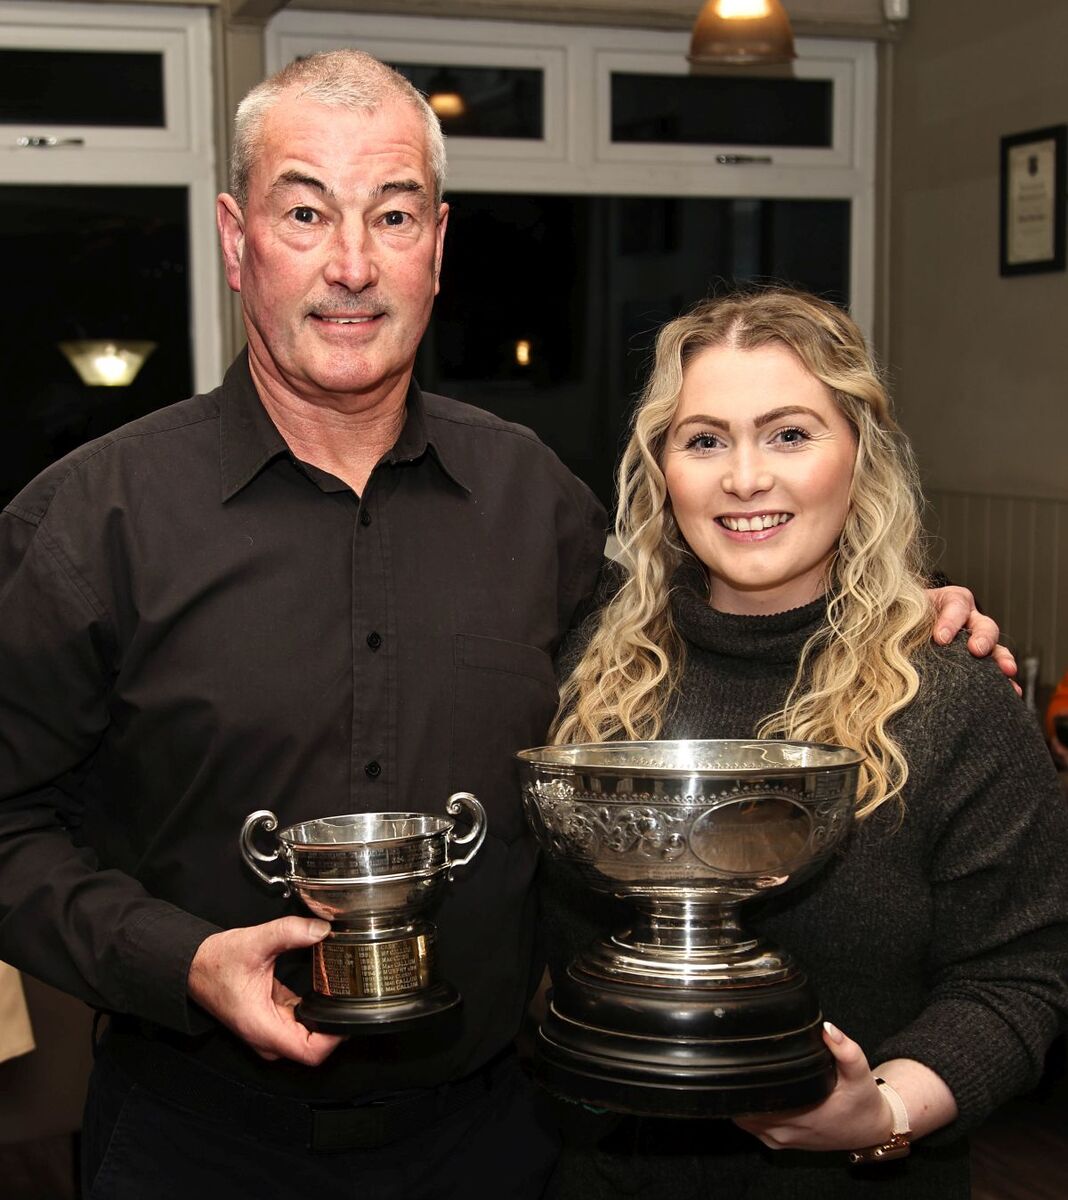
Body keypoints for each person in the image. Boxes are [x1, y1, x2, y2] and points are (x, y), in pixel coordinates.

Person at [0, 53, 1004, 1200]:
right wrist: (179, 962)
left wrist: (877, 615)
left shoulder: (535, 501)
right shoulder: (91, 521)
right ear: (237, 240)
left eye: (392, 214)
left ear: (437, 244)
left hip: (497, 1138)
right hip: (198, 1142)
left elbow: (696, 649)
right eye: (304, 212)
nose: (350, 264)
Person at [543, 288, 1068, 1200]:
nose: (746, 478)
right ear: (662, 467)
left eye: (790, 434)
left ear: (859, 454)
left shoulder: (951, 697)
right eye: (704, 439)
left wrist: (885, 1115)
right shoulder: (590, 676)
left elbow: (1023, 974)